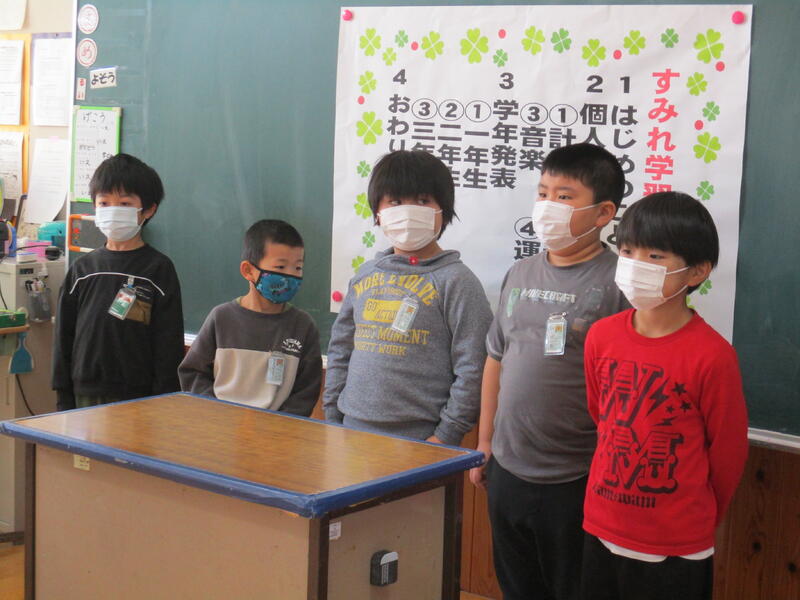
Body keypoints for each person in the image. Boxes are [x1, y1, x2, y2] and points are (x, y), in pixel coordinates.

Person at [470, 143, 629, 600]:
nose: (547, 206)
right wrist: (485, 442)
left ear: (603, 213)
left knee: (572, 587)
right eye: (543, 193)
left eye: (564, 196)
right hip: (507, 466)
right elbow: (496, 357)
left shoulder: (618, 283)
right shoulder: (520, 273)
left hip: (576, 475)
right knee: (517, 586)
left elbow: (625, 386)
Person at [580, 192, 748, 600]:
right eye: (627, 251)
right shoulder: (601, 336)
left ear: (697, 271)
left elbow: (727, 453)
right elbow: (602, 413)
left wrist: (693, 519)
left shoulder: (713, 355)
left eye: (655, 256)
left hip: (676, 544)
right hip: (602, 525)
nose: (636, 264)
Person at [323, 149, 492, 446]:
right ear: (378, 211)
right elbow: (340, 348)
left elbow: (473, 366)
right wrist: (332, 414)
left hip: (421, 440)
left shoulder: (458, 281)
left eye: (423, 201)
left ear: (443, 210)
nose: (409, 212)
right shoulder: (365, 275)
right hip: (349, 431)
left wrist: (446, 434)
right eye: (396, 201)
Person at [52, 153, 184, 410]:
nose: (113, 210)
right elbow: (63, 337)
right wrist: (62, 394)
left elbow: (168, 342)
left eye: (124, 203)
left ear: (148, 209)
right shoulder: (82, 269)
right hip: (85, 391)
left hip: (139, 396)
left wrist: (164, 399)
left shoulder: (158, 269)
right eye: (104, 203)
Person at [179, 219, 322, 415]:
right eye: (280, 268)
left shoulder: (303, 326)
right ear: (248, 271)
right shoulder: (221, 318)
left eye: (297, 268)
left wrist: (279, 424)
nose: (290, 276)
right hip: (221, 425)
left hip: (276, 429)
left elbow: (306, 390)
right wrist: (217, 413)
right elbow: (193, 372)